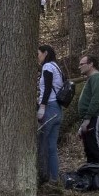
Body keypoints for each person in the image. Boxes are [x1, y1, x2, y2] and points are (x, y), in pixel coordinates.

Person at [77, 55, 99, 169]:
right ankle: (93, 175)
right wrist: (84, 122)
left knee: (96, 147)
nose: (79, 67)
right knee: (89, 148)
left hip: (97, 117)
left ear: (91, 64)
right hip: (90, 118)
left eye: (82, 64)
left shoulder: (97, 77)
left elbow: (96, 99)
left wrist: (87, 118)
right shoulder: (91, 79)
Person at [37, 44, 63, 183]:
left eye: (39, 54)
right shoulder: (57, 67)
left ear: (45, 53)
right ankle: (54, 178)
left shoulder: (47, 67)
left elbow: (47, 89)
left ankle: (44, 177)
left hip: (49, 108)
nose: (38, 57)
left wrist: (42, 107)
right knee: (52, 146)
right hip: (58, 110)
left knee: (43, 144)